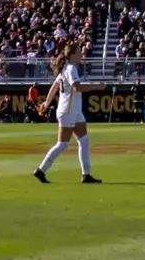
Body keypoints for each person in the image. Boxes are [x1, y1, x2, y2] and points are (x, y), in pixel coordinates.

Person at [32, 43, 100, 184]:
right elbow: (77, 87)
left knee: (84, 140)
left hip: (74, 111)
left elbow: (55, 86)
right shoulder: (70, 68)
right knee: (62, 144)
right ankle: (40, 170)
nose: (81, 54)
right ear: (72, 54)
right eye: (79, 51)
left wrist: (47, 103)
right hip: (68, 111)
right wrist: (97, 86)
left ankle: (86, 175)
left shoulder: (66, 68)